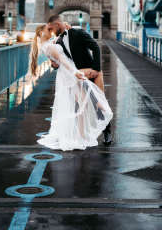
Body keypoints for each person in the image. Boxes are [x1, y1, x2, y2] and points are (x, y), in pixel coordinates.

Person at [30, 23, 112, 151]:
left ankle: (93, 132)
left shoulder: (67, 36)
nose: (51, 30)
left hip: (81, 70)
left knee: (87, 103)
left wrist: (95, 68)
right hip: (72, 74)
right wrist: (69, 70)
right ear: (42, 33)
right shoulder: (54, 43)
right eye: (48, 29)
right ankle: (85, 134)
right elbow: (59, 62)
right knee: (85, 104)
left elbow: (94, 47)